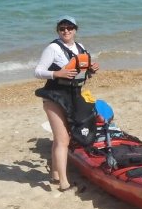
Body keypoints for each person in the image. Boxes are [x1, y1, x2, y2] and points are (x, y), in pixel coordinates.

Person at [33, 16, 99, 192]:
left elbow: (81, 71)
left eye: (69, 28)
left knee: (60, 137)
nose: (66, 31)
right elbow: (38, 71)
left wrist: (91, 70)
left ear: (75, 29)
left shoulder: (80, 48)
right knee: (63, 139)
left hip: (73, 95)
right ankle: (64, 183)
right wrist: (58, 74)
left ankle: (55, 174)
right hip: (54, 96)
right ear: (58, 31)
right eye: (62, 28)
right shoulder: (53, 48)